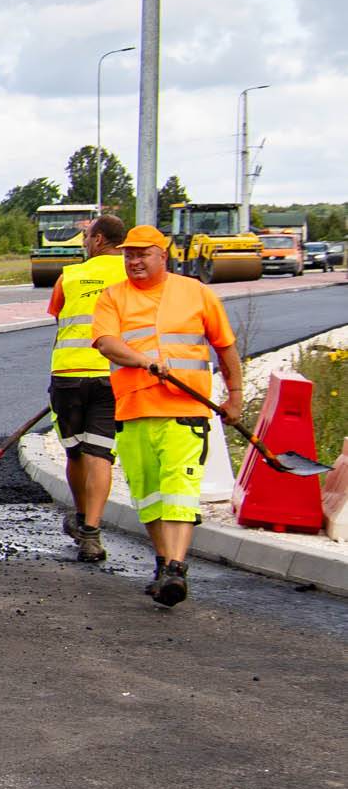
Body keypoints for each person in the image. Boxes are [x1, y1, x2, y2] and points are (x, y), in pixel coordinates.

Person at [91, 224, 246, 608]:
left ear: (163, 255)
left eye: (142, 254)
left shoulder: (196, 293)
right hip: (133, 410)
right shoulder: (113, 297)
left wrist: (236, 397)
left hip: (184, 410)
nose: (134, 261)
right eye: (129, 255)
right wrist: (144, 361)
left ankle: (176, 567)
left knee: (179, 491)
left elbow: (225, 347)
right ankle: (164, 565)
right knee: (149, 496)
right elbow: (106, 343)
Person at [45, 212, 127, 563]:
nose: (85, 244)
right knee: (101, 453)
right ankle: (91, 533)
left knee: (75, 452)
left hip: (68, 374)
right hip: (113, 374)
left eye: (86, 237)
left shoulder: (70, 276)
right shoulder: (133, 275)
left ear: (98, 239)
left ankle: (80, 520)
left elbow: (59, 317)